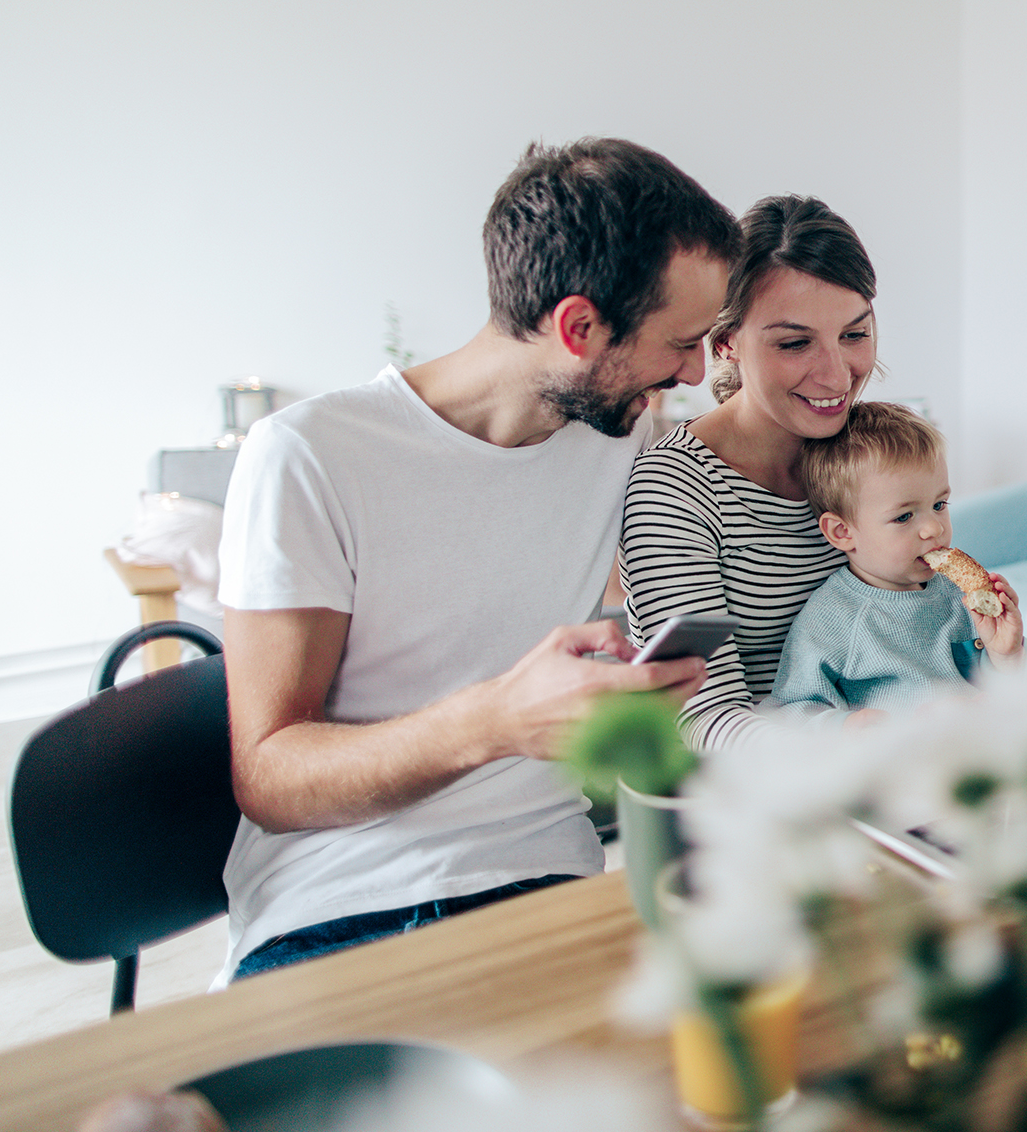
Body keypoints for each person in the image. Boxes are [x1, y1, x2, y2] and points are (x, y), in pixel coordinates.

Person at [215, 138, 742, 981]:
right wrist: (496, 721)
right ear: (578, 327)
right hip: (344, 907)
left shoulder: (623, 437)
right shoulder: (310, 455)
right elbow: (269, 778)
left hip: (550, 887)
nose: (693, 372)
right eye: (681, 341)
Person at [618, 195, 878, 750]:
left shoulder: (871, 452)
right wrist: (850, 743)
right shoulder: (675, 488)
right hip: (758, 798)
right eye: (795, 343)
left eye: (854, 335)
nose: (837, 376)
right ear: (726, 343)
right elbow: (704, 719)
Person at [769, 402, 1023, 727]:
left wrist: (1005, 654)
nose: (934, 528)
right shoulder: (832, 619)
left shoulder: (958, 595)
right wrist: (847, 728)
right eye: (904, 516)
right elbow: (790, 713)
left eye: (939, 504)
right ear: (843, 532)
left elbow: (1007, 694)